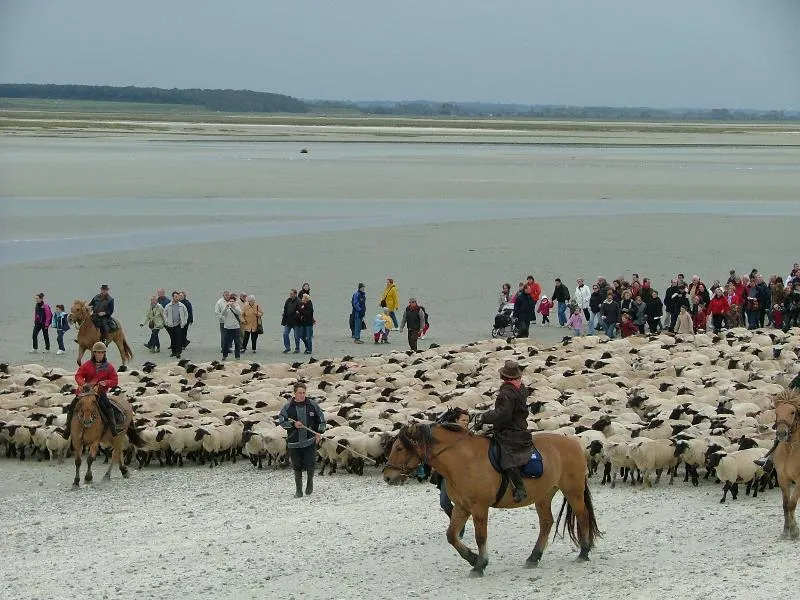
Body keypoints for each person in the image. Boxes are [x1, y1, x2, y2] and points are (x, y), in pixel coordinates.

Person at [475, 360, 531, 503]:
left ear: (504, 377)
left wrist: (485, 416)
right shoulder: (521, 387)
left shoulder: (507, 393)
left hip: (511, 430)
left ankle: (520, 488)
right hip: (519, 426)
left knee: (507, 456)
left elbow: (503, 414)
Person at [62, 342, 121, 438]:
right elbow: (79, 375)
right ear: (94, 353)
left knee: (108, 408)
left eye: (102, 353)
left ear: (104, 354)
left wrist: (105, 383)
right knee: (72, 407)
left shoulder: (109, 367)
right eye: (98, 353)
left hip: (100, 393)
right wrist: (83, 383)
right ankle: (67, 430)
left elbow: (115, 380)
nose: (100, 355)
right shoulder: (87, 365)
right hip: (85, 392)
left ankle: (113, 429)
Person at [278, 382, 326, 498]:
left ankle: (310, 483)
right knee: (297, 466)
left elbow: (321, 418)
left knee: (310, 464)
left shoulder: (312, 405)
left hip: (310, 440)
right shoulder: (287, 407)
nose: (302, 395)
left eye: (304, 393)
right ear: (295, 393)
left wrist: (320, 431)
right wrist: (292, 424)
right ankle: (298, 490)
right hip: (294, 442)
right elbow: (281, 420)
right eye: (300, 393)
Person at [431, 407, 470, 536]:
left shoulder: (470, 436)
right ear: (456, 420)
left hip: (465, 477)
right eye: (463, 420)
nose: (466, 423)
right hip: (448, 475)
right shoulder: (448, 436)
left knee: (462, 503)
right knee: (444, 503)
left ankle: (458, 527)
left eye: (467, 420)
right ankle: (458, 524)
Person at [163, 291, 189, 358]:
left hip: (179, 324)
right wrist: (166, 322)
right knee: (172, 338)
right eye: (176, 297)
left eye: (178, 297)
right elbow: (164, 314)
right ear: (173, 297)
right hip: (171, 325)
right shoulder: (168, 306)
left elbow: (186, 314)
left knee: (178, 338)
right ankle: (173, 352)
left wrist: (184, 321)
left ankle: (178, 352)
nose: (177, 298)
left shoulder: (181, 306)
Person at [221, 294, 242, 360]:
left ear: (235, 301)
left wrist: (234, 307)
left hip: (236, 328)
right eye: (230, 301)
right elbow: (223, 313)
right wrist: (226, 307)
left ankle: (237, 356)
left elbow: (240, 313)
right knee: (226, 343)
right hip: (227, 327)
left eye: (233, 301)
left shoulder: (237, 306)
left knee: (237, 343)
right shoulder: (226, 307)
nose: (231, 302)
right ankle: (224, 356)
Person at [281, 289, 301, 354]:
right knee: (285, 334)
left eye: (292, 294)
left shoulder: (298, 301)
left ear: (295, 294)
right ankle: (287, 347)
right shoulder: (288, 300)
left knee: (296, 336)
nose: (290, 295)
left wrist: (295, 316)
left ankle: (297, 348)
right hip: (288, 321)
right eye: (290, 294)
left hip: (296, 322)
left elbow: (299, 311)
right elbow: (285, 309)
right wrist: (284, 317)